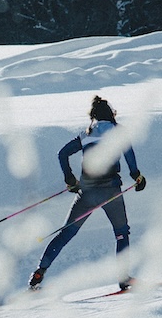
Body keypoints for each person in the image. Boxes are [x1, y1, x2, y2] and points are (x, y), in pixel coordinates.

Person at [28, 96, 147, 292]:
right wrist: (137, 176)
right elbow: (129, 156)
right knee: (121, 233)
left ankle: (39, 273)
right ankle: (124, 277)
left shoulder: (86, 135)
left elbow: (62, 154)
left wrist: (70, 180)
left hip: (88, 192)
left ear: (93, 116)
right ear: (112, 114)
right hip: (111, 192)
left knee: (66, 233)